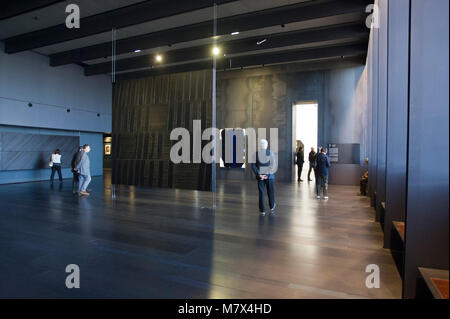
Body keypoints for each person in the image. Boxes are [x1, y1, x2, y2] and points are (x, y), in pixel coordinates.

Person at [252, 139, 277, 216]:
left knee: (261, 193)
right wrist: (267, 174)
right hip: (269, 177)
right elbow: (273, 165)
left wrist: (259, 174)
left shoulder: (255, 154)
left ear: (260, 145)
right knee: (270, 192)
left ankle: (262, 210)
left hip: (260, 177)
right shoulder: (270, 153)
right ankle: (272, 206)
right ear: (266, 145)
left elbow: (253, 166)